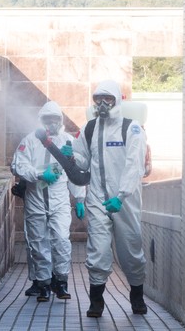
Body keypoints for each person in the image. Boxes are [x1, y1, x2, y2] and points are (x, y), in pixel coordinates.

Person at [67, 80, 148, 316]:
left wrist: (121, 196)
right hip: (98, 199)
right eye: (98, 99)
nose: (102, 104)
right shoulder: (90, 128)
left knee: (131, 249)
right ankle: (96, 302)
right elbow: (84, 160)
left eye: (108, 99)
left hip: (125, 201)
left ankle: (137, 297)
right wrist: (71, 156)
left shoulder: (131, 129)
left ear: (117, 100)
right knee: (98, 250)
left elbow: (135, 166)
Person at [11, 101, 86, 302]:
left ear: (60, 121)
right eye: (48, 120)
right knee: (38, 243)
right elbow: (17, 165)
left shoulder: (67, 141)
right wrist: (38, 174)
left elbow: (74, 172)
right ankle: (43, 283)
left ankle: (60, 281)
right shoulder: (30, 140)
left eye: (55, 120)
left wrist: (79, 198)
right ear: (41, 121)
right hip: (35, 198)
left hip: (59, 199)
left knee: (61, 240)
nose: (51, 124)